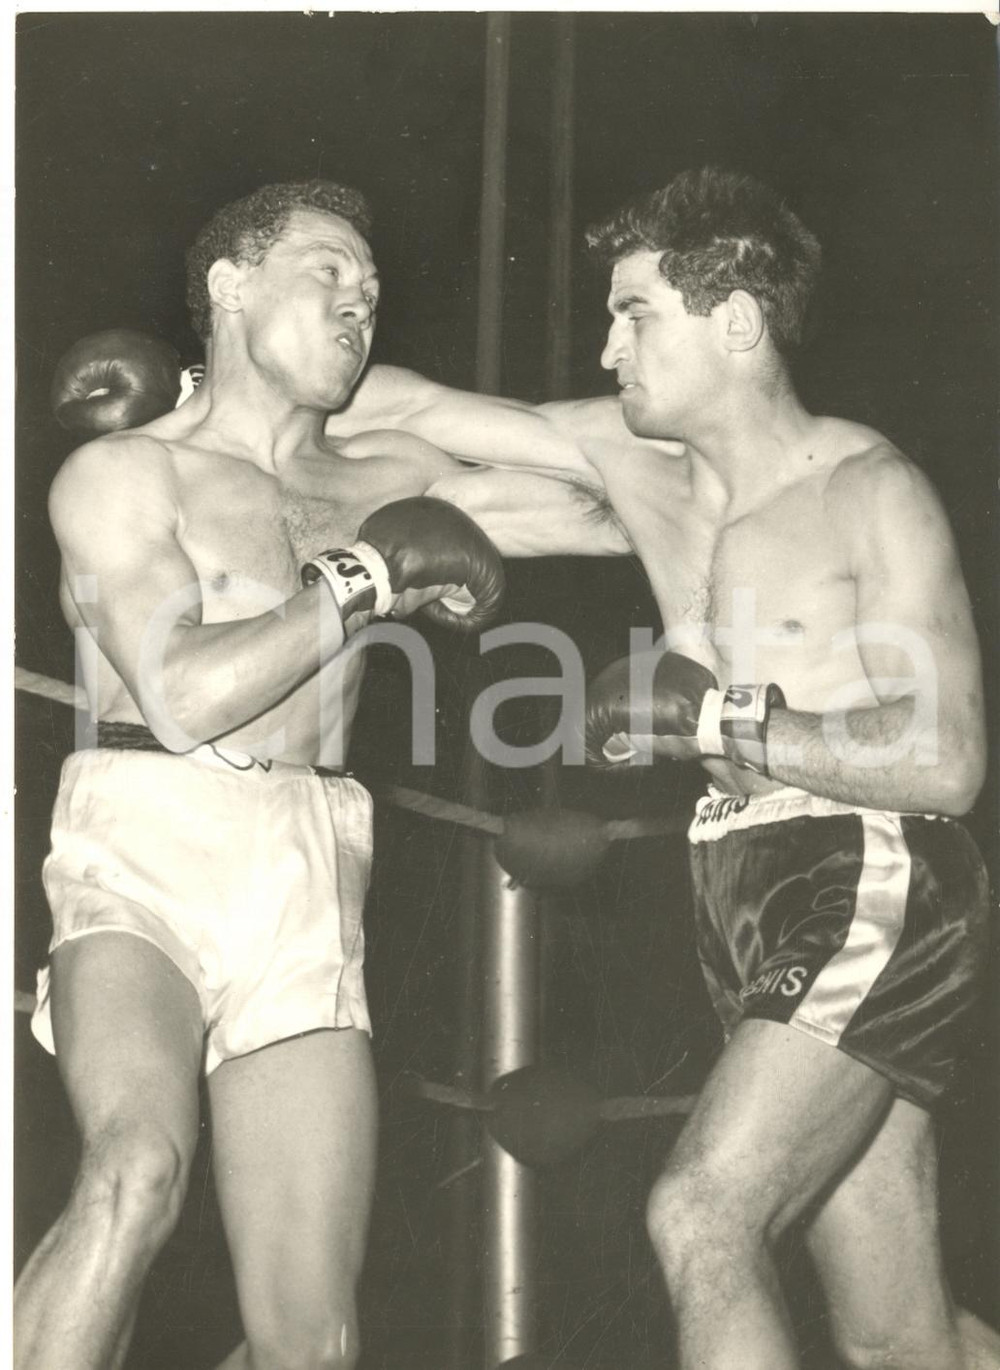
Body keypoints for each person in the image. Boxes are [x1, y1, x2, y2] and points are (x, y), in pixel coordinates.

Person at [322, 168, 998, 1370]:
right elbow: (412, 408)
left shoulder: (866, 490)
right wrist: (199, 397)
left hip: (866, 870)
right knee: (898, 1334)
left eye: (635, 314)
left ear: (735, 321)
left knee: (701, 1211)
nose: (606, 344)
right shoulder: (632, 460)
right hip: (737, 885)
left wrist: (723, 720)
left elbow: (945, 760)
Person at [15, 179, 633, 1370]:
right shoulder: (125, 477)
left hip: (309, 854)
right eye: (329, 271)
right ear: (228, 288)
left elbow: (609, 507)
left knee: (313, 1338)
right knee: (136, 1169)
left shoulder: (387, 474)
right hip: (147, 831)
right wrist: (363, 576)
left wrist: (448, 416)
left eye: (374, 287)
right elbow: (185, 696)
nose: (361, 299)